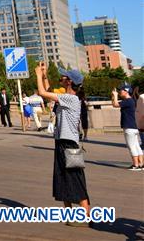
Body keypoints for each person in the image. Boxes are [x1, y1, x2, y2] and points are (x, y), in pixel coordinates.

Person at [35, 62, 90, 226]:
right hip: (61, 142)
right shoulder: (66, 97)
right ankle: (70, 216)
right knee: (62, 179)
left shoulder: (71, 99)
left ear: (69, 82)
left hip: (69, 144)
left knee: (75, 179)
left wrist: (37, 75)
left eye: (64, 77)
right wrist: (44, 75)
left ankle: (85, 215)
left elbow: (43, 93)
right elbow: (49, 90)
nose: (61, 78)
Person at [111, 84, 142, 170]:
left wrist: (115, 95)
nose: (120, 91)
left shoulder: (128, 101)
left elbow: (115, 105)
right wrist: (114, 96)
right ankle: (141, 164)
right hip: (134, 126)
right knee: (136, 146)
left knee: (131, 146)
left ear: (126, 91)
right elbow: (115, 103)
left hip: (129, 127)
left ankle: (135, 165)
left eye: (121, 90)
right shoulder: (130, 101)